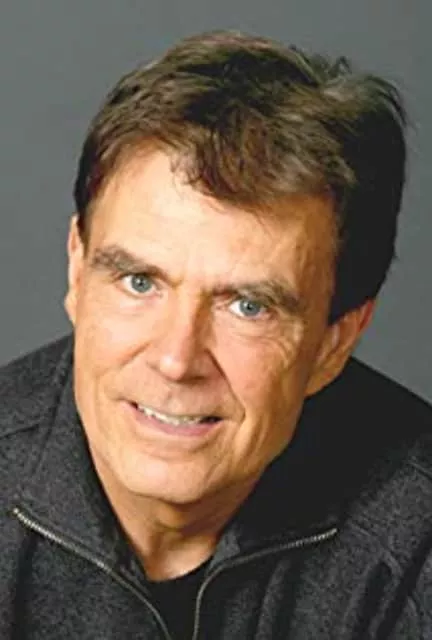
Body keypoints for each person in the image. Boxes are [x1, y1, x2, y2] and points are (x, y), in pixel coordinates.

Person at [0, 30, 431, 640]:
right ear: (77, 270)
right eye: (140, 282)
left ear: (335, 341)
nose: (176, 360)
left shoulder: (416, 541)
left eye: (248, 306)